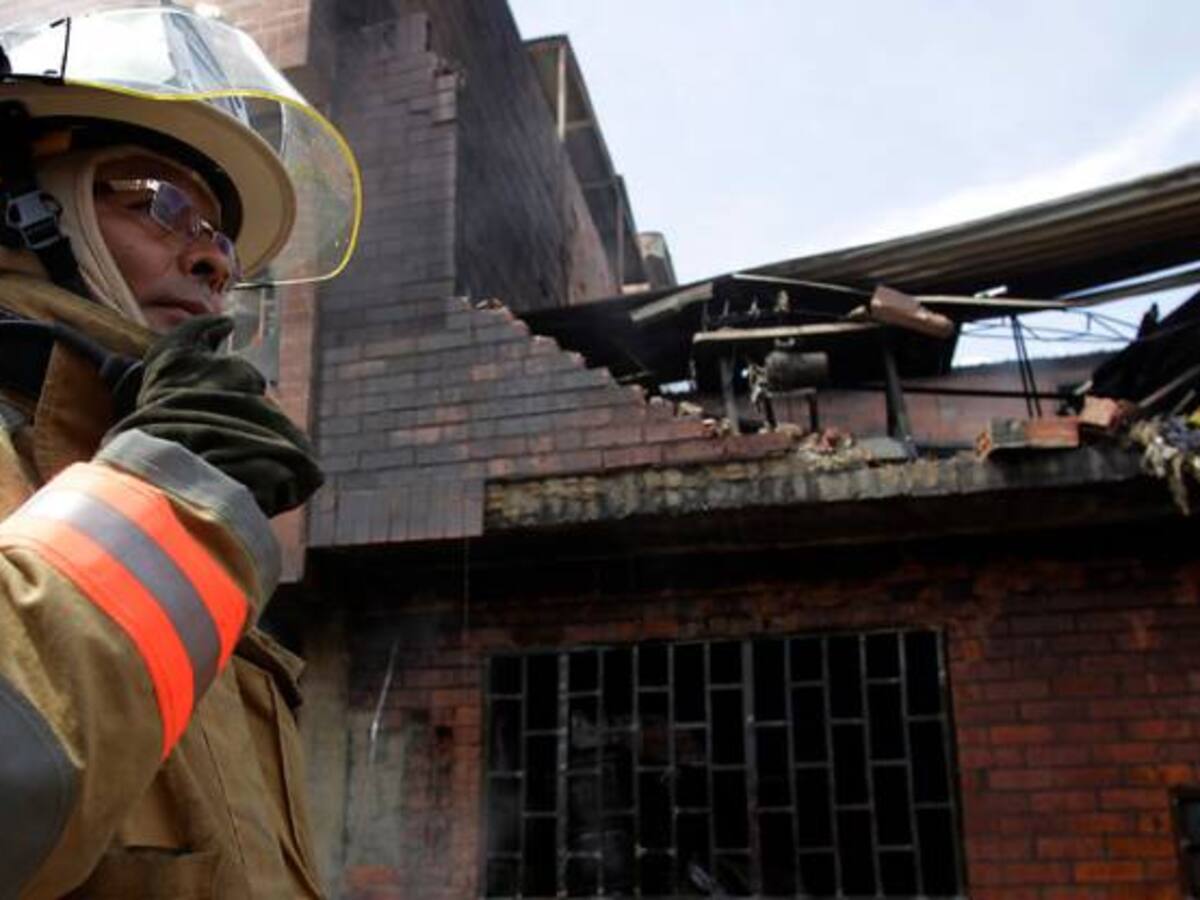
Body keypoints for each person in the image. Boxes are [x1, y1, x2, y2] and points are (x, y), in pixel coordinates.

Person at [0, 8, 360, 897]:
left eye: (222, 240)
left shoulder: (155, 489)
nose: (211, 263)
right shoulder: (167, 510)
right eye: (160, 202)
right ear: (22, 207)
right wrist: (169, 507)